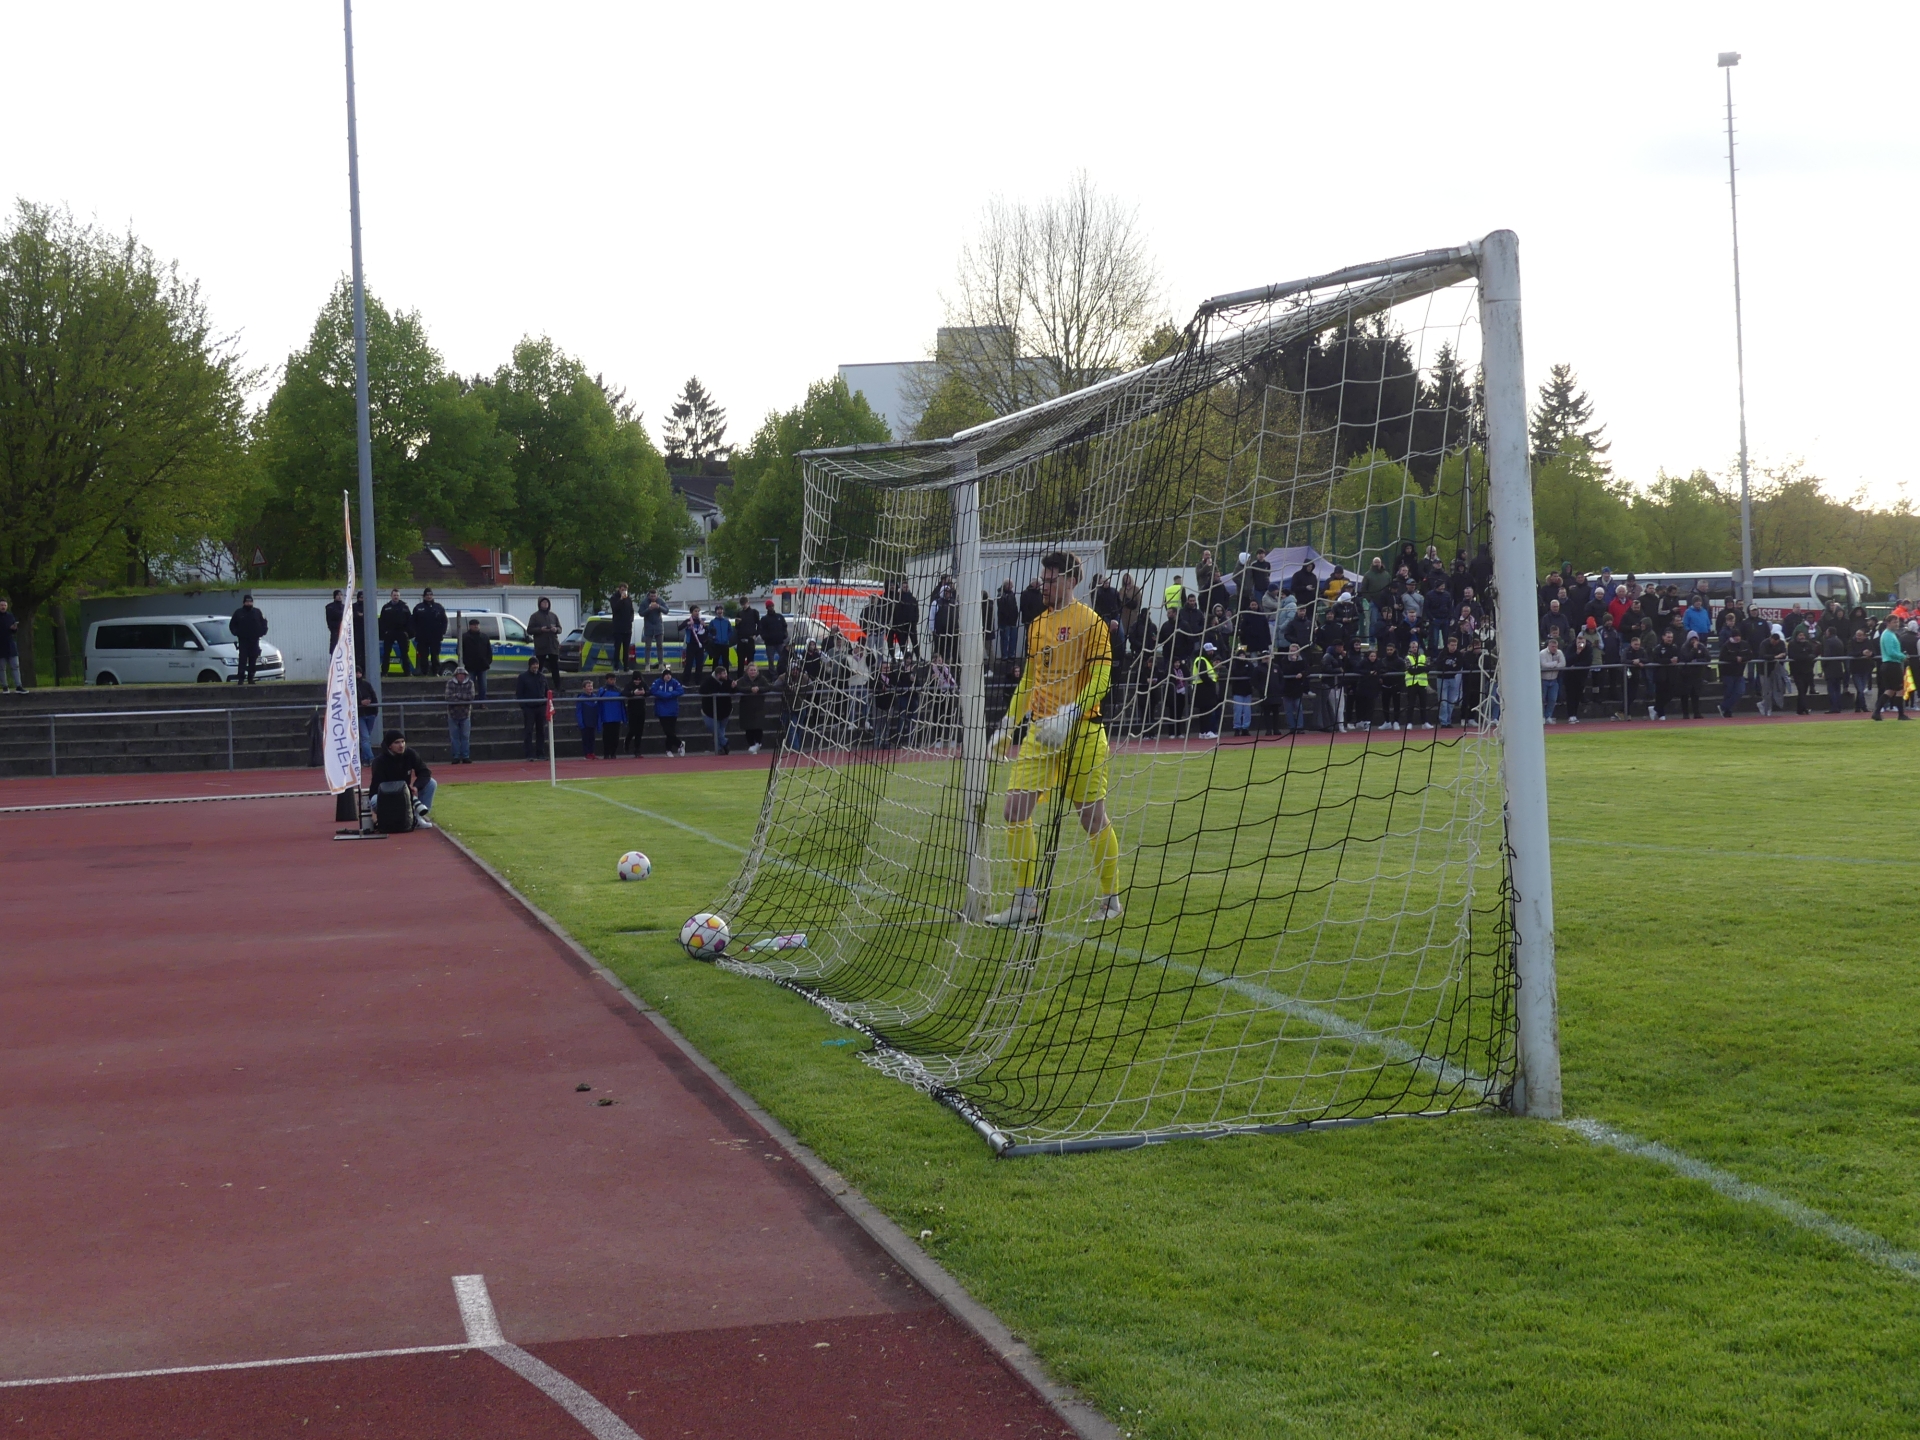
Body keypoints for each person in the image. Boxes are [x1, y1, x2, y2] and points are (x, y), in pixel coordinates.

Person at [984, 550, 1124, 926]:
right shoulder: (1036, 625)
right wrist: (1007, 726)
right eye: (1043, 579)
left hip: (1083, 732)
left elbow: (1102, 679)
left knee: (1092, 818)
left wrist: (1071, 713)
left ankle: (1110, 899)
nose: (1044, 585)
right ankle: (1025, 902)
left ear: (1071, 580)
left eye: (1051, 579)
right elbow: (1029, 682)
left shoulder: (1091, 623)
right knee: (1014, 810)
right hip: (1041, 734)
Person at [370, 731, 435, 828]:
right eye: (396, 742)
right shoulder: (379, 762)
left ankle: (417, 817)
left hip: (405, 791)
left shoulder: (410, 754)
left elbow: (425, 772)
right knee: (375, 800)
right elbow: (378, 786)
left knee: (431, 783)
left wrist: (416, 787)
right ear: (389, 746)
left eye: (403, 741)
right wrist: (403, 794)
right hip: (385, 795)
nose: (401, 745)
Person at [1873, 621, 1910, 720]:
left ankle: (1877, 712)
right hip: (1892, 664)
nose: (1897, 624)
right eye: (1894, 622)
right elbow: (1891, 652)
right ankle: (1901, 714)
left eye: (1897, 622)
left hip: (1888, 664)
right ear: (1888, 623)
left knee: (1890, 690)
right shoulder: (1888, 635)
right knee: (1899, 690)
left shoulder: (1888, 634)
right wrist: (1902, 656)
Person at [229, 594, 268, 684]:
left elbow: (263, 622)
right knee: (242, 659)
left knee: (253, 659)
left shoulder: (257, 612)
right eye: (247, 601)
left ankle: (251, 677)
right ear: (244, 602)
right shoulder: (238, 613)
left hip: (254, 640)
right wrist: (237, 633)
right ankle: (241, 678)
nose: (249, 603)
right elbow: (232, 625)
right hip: (243, 640)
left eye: (250, 601)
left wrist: (262, 632)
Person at [514, 657, 549, 759]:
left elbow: (547, 691)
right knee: (528, 731)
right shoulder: (522, 677)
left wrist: (545, 704)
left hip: (541, 707)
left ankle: (540, 753)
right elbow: (519, 693)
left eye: (536, 664)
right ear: (530, 665)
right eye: (533, 664)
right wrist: (524, 707)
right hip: (529, 708)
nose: (535, 666)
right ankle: (529, 754)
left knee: (541, 731)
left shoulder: (542, 677)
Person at [650, 668, 686, 755]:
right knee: (667, 731)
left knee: (671, 731)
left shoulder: (674, 682)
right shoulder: (657, 682)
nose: (668, 676)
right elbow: (653, 690)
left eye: (669, 674)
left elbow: (681, 690)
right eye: (666, 674)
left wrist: (670, 694)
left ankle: (668, 750)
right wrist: (664, 695)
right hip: (661, 711)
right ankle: (680, 744)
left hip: (673, 710)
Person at [411, 587, 447, 676]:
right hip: (422, 637)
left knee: (435, 655)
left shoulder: (438, 607)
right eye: (427, 595)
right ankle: (424, 673)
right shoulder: (418, 607)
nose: (429, 596)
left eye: (430, 595)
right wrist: (415, 633)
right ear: (424, 596)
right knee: (423, 656)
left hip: (435, 637)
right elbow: (413, 622)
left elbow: (444, 621)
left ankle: (435, 672)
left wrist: (442, 632)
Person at [702, 663, 736, 754]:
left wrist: (733, 687)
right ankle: (724, 742)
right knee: (715, 729)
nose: (726, 675)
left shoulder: (728, 681)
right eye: (724, 674)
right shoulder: (708, 681)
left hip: (725, 711)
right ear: (718, 675)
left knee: (721, 730)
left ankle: (720, 750)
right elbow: (702, 690)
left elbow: (733, 691)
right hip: (709, 711)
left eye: (726, 673)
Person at [379, 588, 414, 675]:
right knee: (386, 653)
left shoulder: (404, 607)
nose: (396, 597)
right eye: (394, 595)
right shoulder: (386, 607)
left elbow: (410, 621)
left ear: (399, 596)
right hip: (389, 632)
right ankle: (384, 672)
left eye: (397, 595)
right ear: (391, 596)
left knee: (404, 653)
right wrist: (384, 633)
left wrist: (408, 633)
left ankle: (407, 672)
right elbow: (381, 621)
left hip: (401, 632)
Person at [737, 661, 770, 754]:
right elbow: (738, 687)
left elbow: (768, 687)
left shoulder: (762, 679)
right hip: (746, 707)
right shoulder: (742, 680)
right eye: (751, 670)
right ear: (747, 671)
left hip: (759, 707)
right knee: (748, 728)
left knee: (758, 727)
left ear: (757, 671)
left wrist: (759, 689)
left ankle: (758, 743)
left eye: (754, 670)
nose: (753, 672)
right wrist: (750, 689)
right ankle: (751, 744)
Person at [445, 663, 475, 763]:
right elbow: (448, 697)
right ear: (456, 676)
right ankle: (456, 756)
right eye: (459, 675)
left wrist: (457, 696)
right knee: (454, 737)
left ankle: (466, 756)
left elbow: (471, 697)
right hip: (452, 714)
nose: (461, 677)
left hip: (465, 714)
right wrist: (463, 698)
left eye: (463, 675)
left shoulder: (470, 683)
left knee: (465, 736)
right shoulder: (450, 683)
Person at [1787, 625, 1819, 716]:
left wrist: (1808, 657)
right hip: (1797, 671)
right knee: (1801, 689)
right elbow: (1794, 656)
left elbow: (1813, 653)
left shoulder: (1808, 644)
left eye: (1803, 635)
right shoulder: (1792, 644)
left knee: (1804, 690)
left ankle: (1800, 709)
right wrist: (1806, 657)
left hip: (1807, 670)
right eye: (1800, 635)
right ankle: (1803, 708)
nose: (1802, 637)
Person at [1433, 635, 1464, 728]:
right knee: (1443, 702)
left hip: (1452, 679)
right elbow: (1439, 666)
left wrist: (1451, 668)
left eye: (1455, 645)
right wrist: (1451, 667)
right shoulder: (1443, 654)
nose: (1454, 647)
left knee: (1451, 702)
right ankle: (1443, 722)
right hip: (1442, 679)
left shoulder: (1458, 654)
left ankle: (1448, 720)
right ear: (1448, 645)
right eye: (1452, 645)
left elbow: (1459, 666)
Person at [460, 617, 492, 700]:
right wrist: (466, 662)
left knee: (483, 686)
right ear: (470, 626)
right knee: (469, 686)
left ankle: (482, 702)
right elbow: (459, 651)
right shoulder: (464, 637)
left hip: (483, 665)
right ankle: (469, 701)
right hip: (470, 666)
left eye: (477, 625)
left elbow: (489, 651)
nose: (476, 626)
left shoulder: (484, 637)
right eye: (474, 625)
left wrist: (488, 661)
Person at [1538, 636, 1566, 724]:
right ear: (1548, 646)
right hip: (1543, 680)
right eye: (1552, 647)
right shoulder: (1542, 653)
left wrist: (1552, 666)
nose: (1554, 648)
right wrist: (1555, 664)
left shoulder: (1559, 653)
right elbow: (1544, 665)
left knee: (1553, 699)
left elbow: (1563, 664)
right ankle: (1542, 716)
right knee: (1542, 699)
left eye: (1556, 647)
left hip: (1554, 680)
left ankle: (1548, 716)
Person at [597, 674, 626, 756]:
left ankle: (613, 753)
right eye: (611, 679)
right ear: (607, 680)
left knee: (615, 736)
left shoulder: (618, 690)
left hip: (616, 716)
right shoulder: (602, 690)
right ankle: (606, 753)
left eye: (614, 679)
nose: (613, 681)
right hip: (607, 717)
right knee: (607, 736)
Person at [609, 583, 636, 671]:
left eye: (625, 589)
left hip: (627, 628)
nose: (623, 591)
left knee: (626, 648)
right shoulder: (614, 598)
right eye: (622, 589)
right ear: (619, 589)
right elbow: (615, 609)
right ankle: (616, 667)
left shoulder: (629, 599)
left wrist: (631, 619)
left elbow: (631, 611)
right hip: (618, 628)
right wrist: (621, 599)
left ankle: (626, 667)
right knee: (617, 648)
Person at [0, 597, 23, 691]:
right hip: (1, 646)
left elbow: (14, 631)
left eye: (4, 605)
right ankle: (5, 686)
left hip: (10, 644)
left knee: (15, 666)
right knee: (1, 668)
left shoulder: (10, 616)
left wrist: (14, 628)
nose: (3, 607)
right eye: (1, 605)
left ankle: (19, 686)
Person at [759, 598, 788, 672]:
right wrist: (765, 637)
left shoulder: (780, 617)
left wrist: (784, 635)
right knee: (771, 660)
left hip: (780, 642)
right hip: (769, 644)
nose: (771, 607)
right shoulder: (764, 619)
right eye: (769, 606)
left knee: (784, 658)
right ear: (767, 608)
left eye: (772, 606)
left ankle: (784, 672)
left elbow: (784, 626)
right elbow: (761, 630)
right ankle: (773, 675)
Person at [996, 579, 1022, 661]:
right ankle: (1005, 656)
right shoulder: (1001, 595)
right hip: (1005, 621)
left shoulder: (1011, 594)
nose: (1012, 586)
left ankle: (1011, 654)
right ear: (1006, 585)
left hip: (1012, 620)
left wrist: (1015, 616)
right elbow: (1002, 608)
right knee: (1005, 639)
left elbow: (1014, 606)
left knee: (1013, 639)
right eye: (1011, 585)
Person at [356, 666, 378, 762]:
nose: (358, 674)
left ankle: (365, 758)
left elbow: (374, 697)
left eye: (359, 672)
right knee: (365, 737)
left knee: (365, 737)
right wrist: (360, 703)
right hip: (360, 715)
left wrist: (375, 711)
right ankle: (371, 758)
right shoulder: (350, 687)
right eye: (356, 672)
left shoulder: (366, 685)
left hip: (370, 714)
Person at [574, 679, 601, 758]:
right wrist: (581, 723)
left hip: (593, 721)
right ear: (584, 688)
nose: (590, 688)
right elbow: (579, 712)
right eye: (588, 686)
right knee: (586, 739)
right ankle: (587, 753)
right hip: (585, 722)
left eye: (591, 686)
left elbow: (597, 711)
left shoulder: (595, 697)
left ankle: (591, 752)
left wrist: (598, 722)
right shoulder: (581, 698)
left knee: (592, 738)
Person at [641, 590, 667, 667]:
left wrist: (659, 607)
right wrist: (648, 609)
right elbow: (641, 613)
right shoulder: (644, 602)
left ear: (657, 595)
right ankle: (647, 664)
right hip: (648, 626)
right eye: (651, 596)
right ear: (649, 596)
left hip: (658, 626)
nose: (653, 598)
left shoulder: (660, 601)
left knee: (660, 646)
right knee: (648, 647)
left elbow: (666, 610)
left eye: (654, 596)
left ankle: (661, 664)